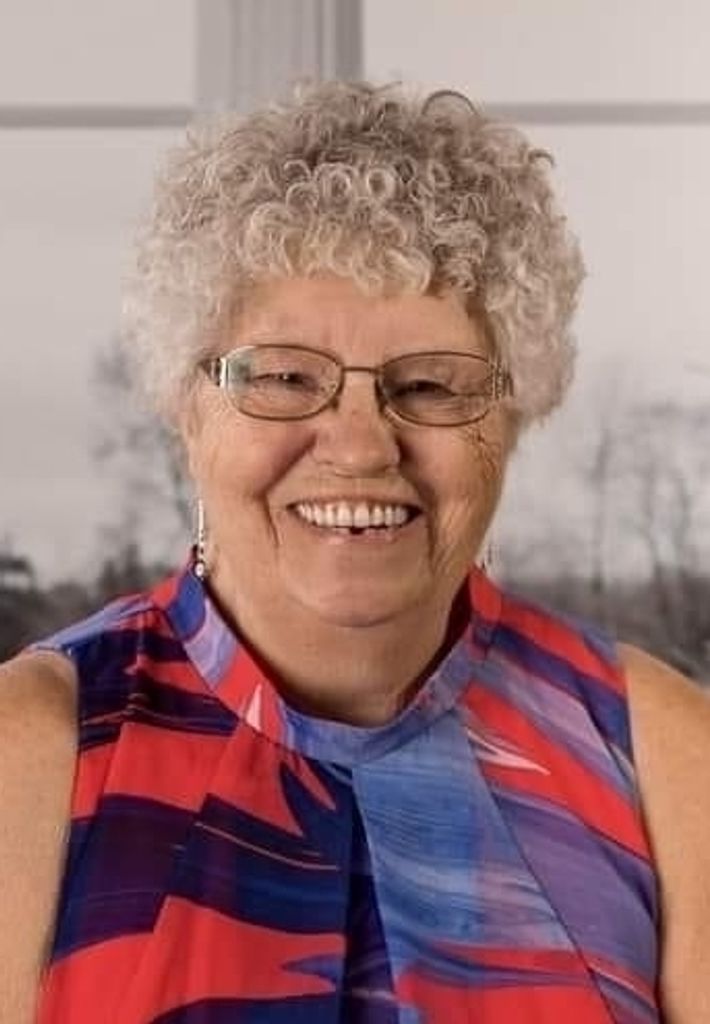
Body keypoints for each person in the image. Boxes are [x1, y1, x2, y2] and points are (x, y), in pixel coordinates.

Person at [1, 81, 708, 1024]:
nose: (363, 444)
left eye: (431, 385)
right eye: (287, 377)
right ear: (186, 408)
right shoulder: (29, 753)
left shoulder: (665, 758)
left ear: (514, 414)